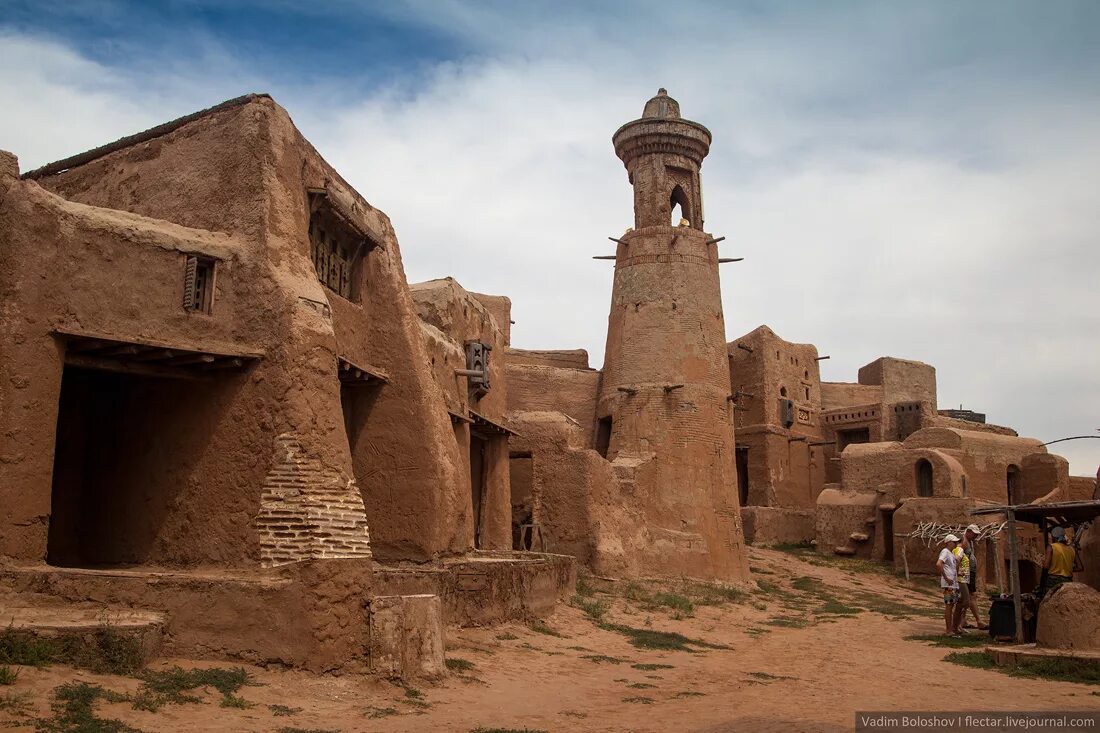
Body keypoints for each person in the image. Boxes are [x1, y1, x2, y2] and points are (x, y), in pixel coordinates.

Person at [959, 524, 987, 630]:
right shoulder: (964, 541)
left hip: (970, 571)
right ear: (969, 531)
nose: (975, 536)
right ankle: (978, 620)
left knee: (966, 597)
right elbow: (958, 556)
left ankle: (963, 620)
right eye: (974, 534)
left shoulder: (969, 541)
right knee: (971, 595)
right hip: (966, 572)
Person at [1039, 526, 1078, 598]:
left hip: (1053, 581)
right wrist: (1067, 567)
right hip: (1068, 581)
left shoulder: (1051, 547)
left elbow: (1046, 566)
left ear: (1053, 537)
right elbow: (1079, 567)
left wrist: (1041, 585)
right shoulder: (1072, 549)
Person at [937, 534, 960, 636]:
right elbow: (939, 564)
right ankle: (948, 630)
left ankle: (950, 629)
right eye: (954, 542)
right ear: (949, 542)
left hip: (953, 583)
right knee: (949, 606)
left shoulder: (950, 553)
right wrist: (946, 578)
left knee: (951, 605)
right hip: (949, 584)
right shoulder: (945, 552)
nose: (955, 544)